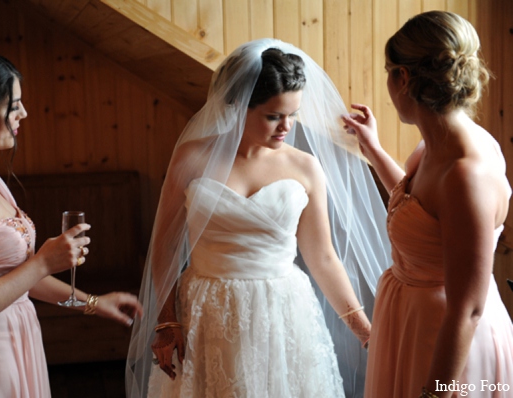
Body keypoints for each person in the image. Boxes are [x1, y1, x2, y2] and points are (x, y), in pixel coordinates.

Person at [125, 39, 392, 398]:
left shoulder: (305, 167)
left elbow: (323, 256)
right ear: (237, 105)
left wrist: (365, 331)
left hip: (281, 312)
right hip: (207, 309)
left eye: (293, 114)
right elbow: (166, 245)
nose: (286, 126)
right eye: (273, 115)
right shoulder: (191, 157)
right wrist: (167, 320)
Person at [0, 47, 143, 397]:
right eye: (13, 105)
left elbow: (10, 279)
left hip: (10, 339)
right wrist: (44, 262)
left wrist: (93, 303)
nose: (24, 113)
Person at [341, 11, 513, 398]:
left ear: (402, 77)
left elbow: (468, 307)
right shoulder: (435, 145)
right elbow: (416, 207)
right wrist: (373, 149)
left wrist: (437, 391)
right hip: (413, 323)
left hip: (445, 341)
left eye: (388, 71)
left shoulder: (465, 174)